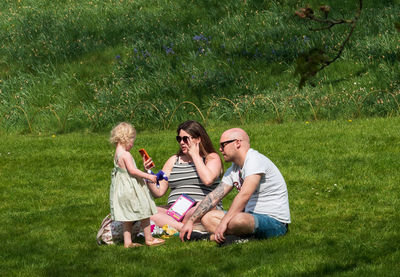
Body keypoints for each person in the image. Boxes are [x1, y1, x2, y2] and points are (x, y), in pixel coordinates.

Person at [179, 128, 291, 246]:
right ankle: (236, 237)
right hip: (250, 216)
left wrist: (224, 223)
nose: (220, 149)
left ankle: (211, 237)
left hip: (274, 222)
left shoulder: (254, 160)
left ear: (237, 143)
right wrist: (190, 221)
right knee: (207, 218)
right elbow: (214, 197)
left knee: (238, 220)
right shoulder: (234, 169)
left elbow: (244, 195)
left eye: (223, 145)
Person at [144, 120, 223, 231]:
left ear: (198, 139)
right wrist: (148, 175)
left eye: (185, 139)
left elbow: (208, 180)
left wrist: (195, 155)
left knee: (200, 207)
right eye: (179, 139)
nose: (181, 142)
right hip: (175, 211)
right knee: (146, 210)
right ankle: (183, 227)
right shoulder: (173, 160)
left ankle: (173, 224)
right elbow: (159, 192)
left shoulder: (211, 158)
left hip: (199, 207)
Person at [109, 122, 165, 248]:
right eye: (132, 141)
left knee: (127, 215)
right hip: (131, 188)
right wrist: (149, 175)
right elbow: (132, 171)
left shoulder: (117, 153)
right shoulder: (126, 154)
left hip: (122, 188)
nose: (132, 144)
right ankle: (149, 238)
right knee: (144, 211)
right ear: (126, 138)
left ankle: (127, 242)